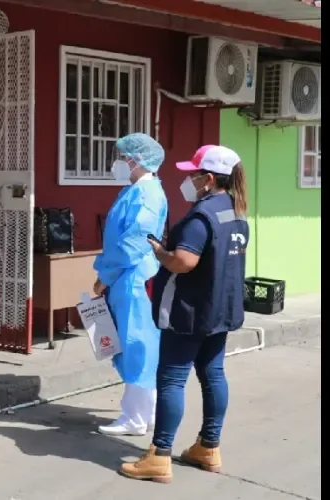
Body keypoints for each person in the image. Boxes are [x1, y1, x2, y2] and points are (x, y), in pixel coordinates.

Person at [120, 145, 249, 483]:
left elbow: (184, 262)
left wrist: (161, 251)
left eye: (192, 174)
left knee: (172, 379)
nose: (186, 179)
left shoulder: (200, 217)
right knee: (213, 374)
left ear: (208, 179)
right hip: (220, 309)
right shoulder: (234, 211)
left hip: (190, 312)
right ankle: (209, 446)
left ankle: (159, 455)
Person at [93, 133, 169, 437]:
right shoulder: (135, 190)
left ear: (136, 161)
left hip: (133, 277)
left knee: (137, 344)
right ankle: (142, 412)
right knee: (133, 343)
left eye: (123, 157)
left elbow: (134, 241)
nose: (117, 163)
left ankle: (135, 418)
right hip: (127, 278)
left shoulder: (147, 193)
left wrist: (105, 276)